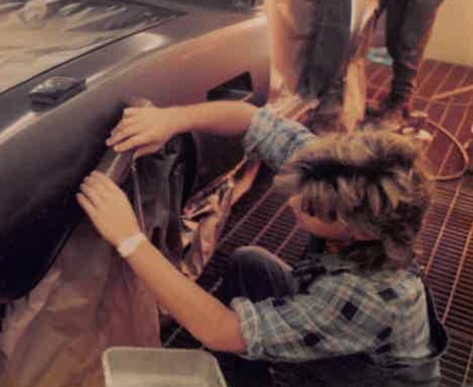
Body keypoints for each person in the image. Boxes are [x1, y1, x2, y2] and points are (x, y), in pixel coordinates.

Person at [77, 102, 447, 386]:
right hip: (337, 332)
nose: (292, 204)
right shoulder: (335, 174)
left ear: (362, 232)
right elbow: (252, 118)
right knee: (250, 264)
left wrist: (129, 239)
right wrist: (172, 118)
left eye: (312, 209)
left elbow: (222, 330)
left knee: (231, 331)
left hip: (369, 379)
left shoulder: (365, 294)